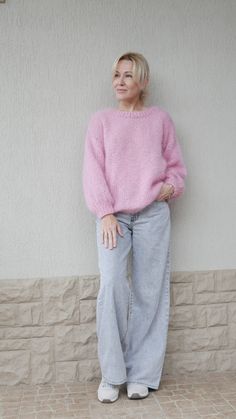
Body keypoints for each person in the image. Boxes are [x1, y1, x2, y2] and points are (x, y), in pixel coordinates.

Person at [82, 52, 187, 403]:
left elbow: (175, 164)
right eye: (116, 75)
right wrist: (105, 212)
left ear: (142, 82)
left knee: (148, 292)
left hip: (153, 214)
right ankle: (112, 376)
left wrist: (172, 185)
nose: (120, 81)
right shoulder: (101, 121)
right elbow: (93, 170)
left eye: (128, 75)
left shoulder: (160, 119)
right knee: (112, 285)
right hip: (114, 217)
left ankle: (141, 373)